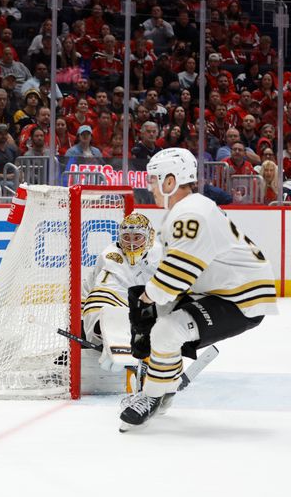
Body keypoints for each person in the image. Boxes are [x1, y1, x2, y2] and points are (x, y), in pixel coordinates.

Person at [120, 148, 277, 431]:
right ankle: (165, 377)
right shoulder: (190, 209)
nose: (150, 186)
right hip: (221, 288)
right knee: (162, 320)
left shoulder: (190, 213)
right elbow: (174, 276)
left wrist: (147, 300)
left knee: (166, 330)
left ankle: (153, 396)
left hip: (242, 299)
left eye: (154, 180)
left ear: (171, 181)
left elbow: (174, 277)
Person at [82, 213, 162, 373]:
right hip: (112, 310)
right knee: (100, 297)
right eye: (127, 237)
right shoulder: (109, 255)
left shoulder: (161, 255)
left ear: (149, 237)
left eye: (137, 237)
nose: (131, 243)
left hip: (147, 313)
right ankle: (111, 341)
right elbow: (90, 287)